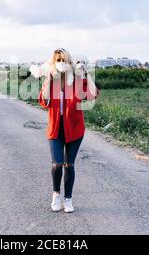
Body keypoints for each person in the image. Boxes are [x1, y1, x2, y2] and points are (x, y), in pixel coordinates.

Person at [38, 48, 100, 213]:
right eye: (57, 60)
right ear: (53, 62)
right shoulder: (52, 79)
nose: (61, 63)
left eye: (63, 60)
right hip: (56, 130)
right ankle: (56, 195)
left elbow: (93, 96)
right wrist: (49, 80)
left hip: (74, 129)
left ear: (69, 62)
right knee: (57, 164)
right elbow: (44, 101)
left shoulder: (78, 79)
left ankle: (68, 200)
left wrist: (87, 75)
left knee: (69, 165)